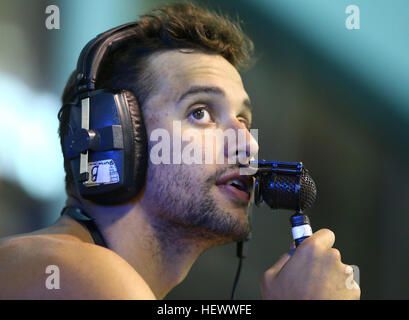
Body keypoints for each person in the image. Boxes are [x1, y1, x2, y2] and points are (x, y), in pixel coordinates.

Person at [0, 2, 360, 300]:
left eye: (243, 120)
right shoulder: (74, 270)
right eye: (200, 112)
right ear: (115, 139)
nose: (248, 143)